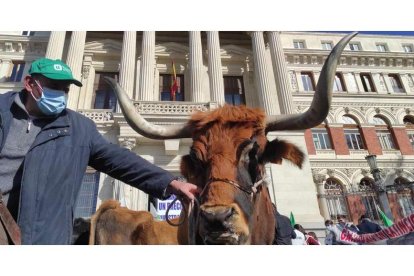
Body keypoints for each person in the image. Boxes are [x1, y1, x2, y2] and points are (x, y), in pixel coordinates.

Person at [0, 58, 200, 245]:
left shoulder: (79, 129)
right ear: (29, 83)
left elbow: (121, 160)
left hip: (41, 239)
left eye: (65, 90)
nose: (60, 95)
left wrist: (171, 183)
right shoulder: (3, 112)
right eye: (53, 87)